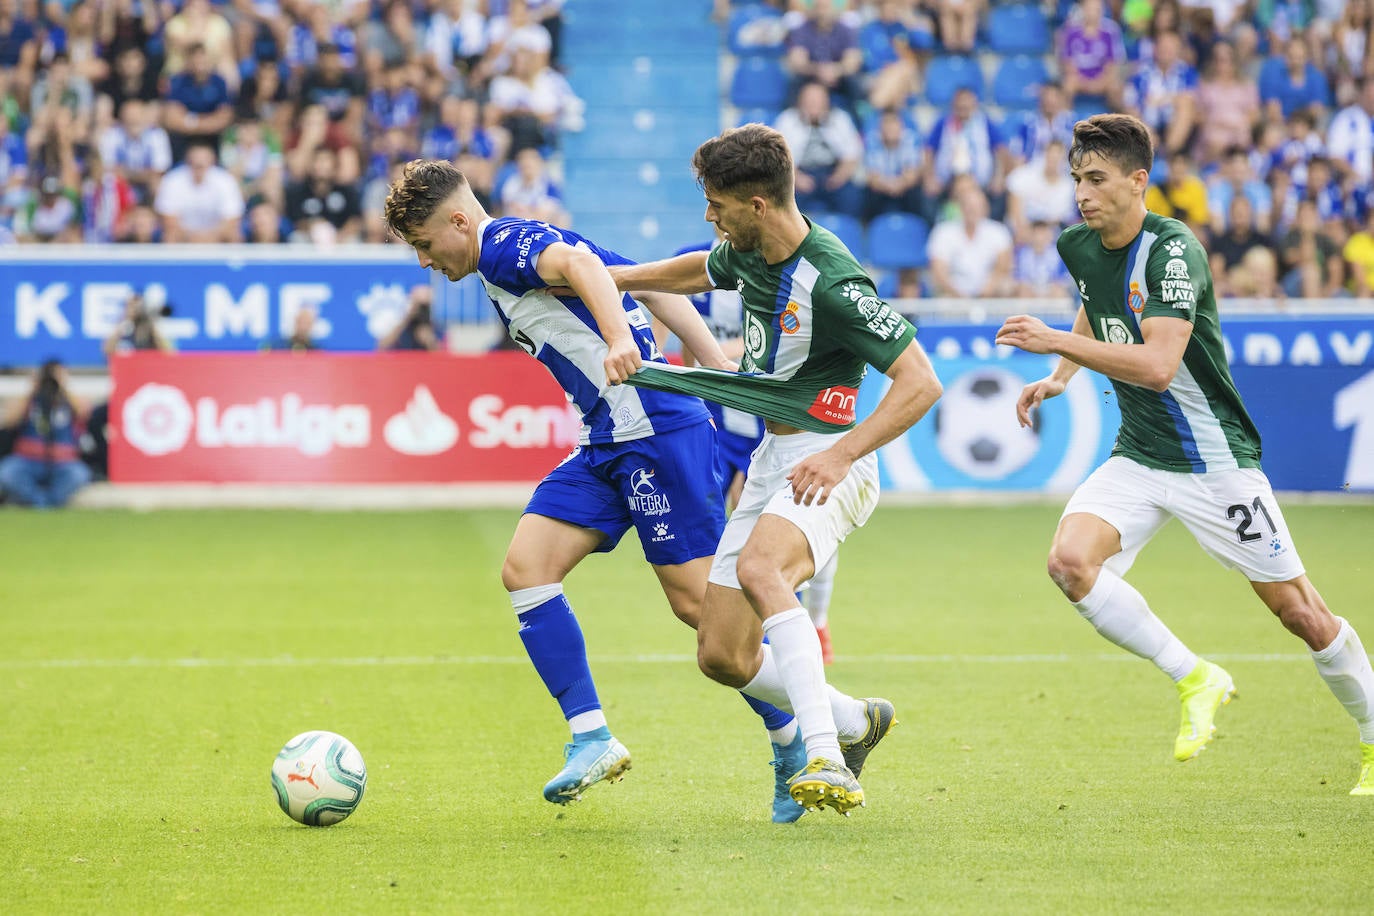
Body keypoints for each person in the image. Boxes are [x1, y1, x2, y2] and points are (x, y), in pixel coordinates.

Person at [382, 159, 811, 822]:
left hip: (653, 435)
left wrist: (619, 339)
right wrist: (713, 359)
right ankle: (591, 737)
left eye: (423, 245)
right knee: (527, 569)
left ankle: (806, 731)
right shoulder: (521, 243)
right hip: (608, 441)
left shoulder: (501, 249)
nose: (423, 263)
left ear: (460, 222)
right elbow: (643, 281)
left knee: (704, 612)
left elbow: (590, 276)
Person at [994, 113, 1374, 795]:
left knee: (1302, 614)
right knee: (1070, 563)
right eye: (1078, 178)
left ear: (1139, 182)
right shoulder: (1079, 246)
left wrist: (1056, 344)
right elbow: (1096, 302)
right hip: (1140, 455)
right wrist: (1060, 378)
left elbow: (1160, 365)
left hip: (1213, 462)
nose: (1083, 193)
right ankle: (1196, 676)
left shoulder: (1173, 252)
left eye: (1099, 179)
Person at [603, 123, 944, 815]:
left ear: (757, 204)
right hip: (773, 462)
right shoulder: (748, 251)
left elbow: (921, 382)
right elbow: (699, 268)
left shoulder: (836, 283)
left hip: (830, 461)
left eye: (716, 202)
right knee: (722, 654)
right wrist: (608, 280)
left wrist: (842, 453)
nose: (709, 215)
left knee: (762, 573)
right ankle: (855, 721)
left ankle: (826, 755)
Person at [0, 360, 92, 509]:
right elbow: (10, 420)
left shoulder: (68, 401)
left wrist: (62, 386)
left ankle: (50, 502)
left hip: (62, 462)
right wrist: (33, 389)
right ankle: (38, 501)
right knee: (7, 473)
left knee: (79, 474)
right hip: (28, 460)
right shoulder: (31, 400)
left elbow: (85, 413)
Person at [378, 284, 443, 351]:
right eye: (418, 305)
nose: (421, 310)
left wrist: (429, 341)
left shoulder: (437, 327)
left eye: (425, 306)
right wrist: (407, 317)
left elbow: (443, 356)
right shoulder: (400, 323)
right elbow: (382, 346)